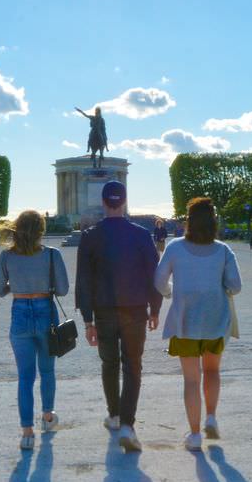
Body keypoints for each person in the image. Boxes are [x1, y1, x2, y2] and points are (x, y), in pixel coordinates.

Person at [75, 180, 161, 453]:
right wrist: (155, 309)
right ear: (123, 201)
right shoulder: (141, 235)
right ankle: (127, 425)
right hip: (135, 309)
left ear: (103, 202)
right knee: (133, 367)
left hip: (103, 311)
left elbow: (83, 281)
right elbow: (154, 276)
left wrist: (87, 320)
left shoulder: (90, 236)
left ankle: (114, 415)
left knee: (109, 364)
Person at [154, 197, 242, 452]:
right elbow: (236, 286)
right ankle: (211, 417)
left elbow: (159, 281)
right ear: (213, 221)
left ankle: (194, 435)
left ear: (188, 222)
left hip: (185, 321)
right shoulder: (224, 250)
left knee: (191, 380)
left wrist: (172, 293)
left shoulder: (175, 247)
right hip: (215, 320)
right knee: (212, 371)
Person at [0, 209, 70, 450]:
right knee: (47, 371)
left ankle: (27, 432)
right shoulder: (52, 255)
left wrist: (15, 286)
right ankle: (47, 416)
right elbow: (64, 289)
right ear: (41, 231)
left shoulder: (7, 256)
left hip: (20, 312)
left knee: (25, 377)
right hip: (45, 311)